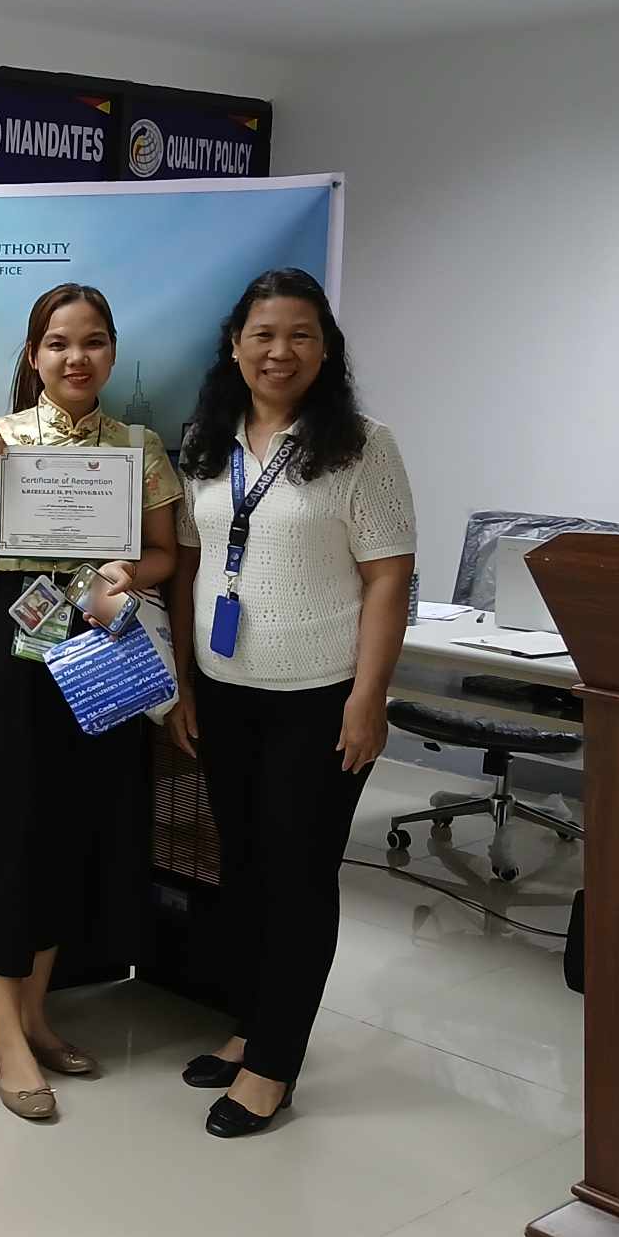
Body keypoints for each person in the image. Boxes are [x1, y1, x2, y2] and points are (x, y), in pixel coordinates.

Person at [166, 268, 414, 1137]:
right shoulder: (207, 437)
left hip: (321, 699)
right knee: (244, 871)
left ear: (326, 349)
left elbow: (389, 577)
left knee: (300, 878)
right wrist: (186, 683)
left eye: (302, 335)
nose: (280, 352)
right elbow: (192, 561)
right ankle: (250, 1027)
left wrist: (369, 698)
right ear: (235, 345)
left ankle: (274, 1067)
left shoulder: (361, 445)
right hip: (228, 693)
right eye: (263, 334)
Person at [0, 283, 180, 1121]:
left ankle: (37, 1014)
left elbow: (164, 554)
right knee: (7, 832)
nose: (77, 358)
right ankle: (3, 1032)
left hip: (95, 639)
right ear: (32, 355)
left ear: (112, 354)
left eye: (94, 342)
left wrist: (126, 573)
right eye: (59, 343)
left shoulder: (138, 447)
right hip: (8, 648)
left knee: (73, 827)